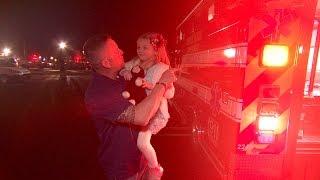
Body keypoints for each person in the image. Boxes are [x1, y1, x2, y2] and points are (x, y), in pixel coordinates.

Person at [83, 34, 176, 180]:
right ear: (107, 62)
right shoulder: (98, 93)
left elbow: (143, 88)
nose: (122, 51)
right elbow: (141, 117)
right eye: (116, 51)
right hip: (123, 170)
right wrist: (162, 84)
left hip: (141, 160)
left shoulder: (121, 76)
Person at [119, 32, 174, 175]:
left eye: (145, 47)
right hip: (139, 106)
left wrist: (151, 86)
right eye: (138, 47)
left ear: (156, 50)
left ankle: (155, 169)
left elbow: (170, 93)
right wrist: (124, 71)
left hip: (155, 112)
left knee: (142, 143)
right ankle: (141, 164)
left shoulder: (163, 67)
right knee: (133, 140)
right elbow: (121, 67)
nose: (140, 50)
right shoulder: (135, 62)